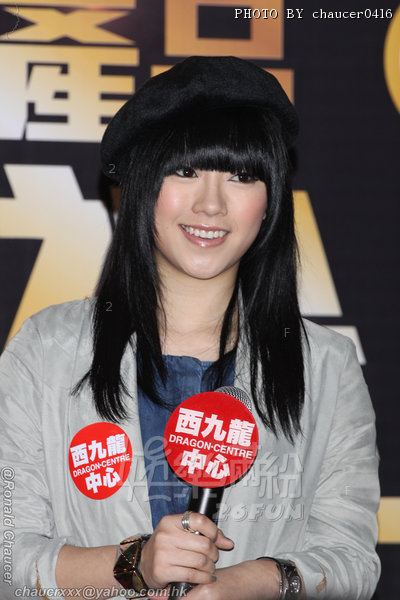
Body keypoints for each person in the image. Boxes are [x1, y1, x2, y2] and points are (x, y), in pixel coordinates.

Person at [0, 56, 380, 600]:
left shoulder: (325, 366)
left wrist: (246, 582)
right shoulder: (46, 351)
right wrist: (133, 564)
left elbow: (352, 561)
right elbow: (6, 555)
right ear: (142, 184)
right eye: (184, 171)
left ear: (270, 201)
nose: (211, 204)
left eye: (241, 177)